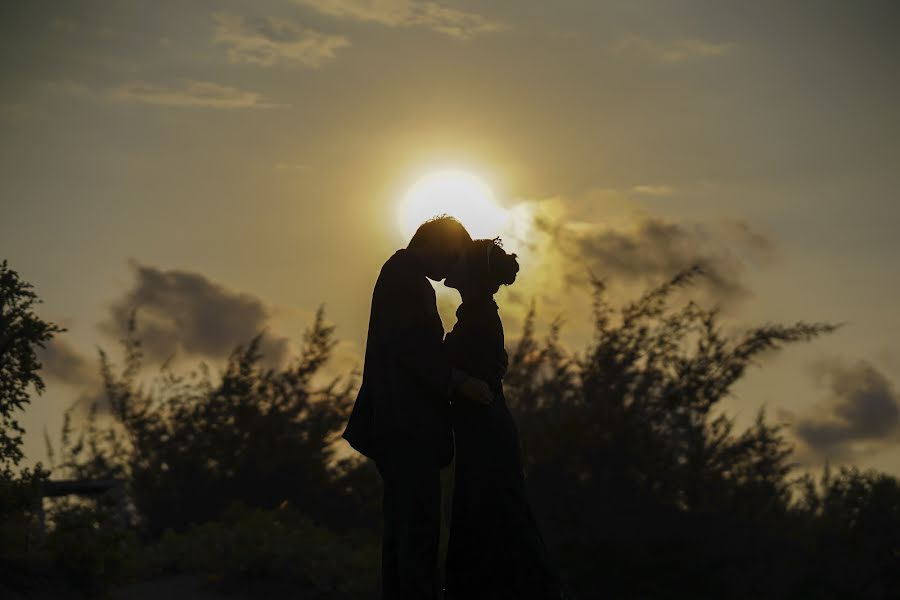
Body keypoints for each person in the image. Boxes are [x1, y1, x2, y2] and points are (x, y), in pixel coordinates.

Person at [342, 216, 494, 600]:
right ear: (438, 244)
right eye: (453, 254)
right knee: (418, 533)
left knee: (404, 531)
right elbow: (413, 348)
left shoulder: (403, 276)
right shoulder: (405, 280)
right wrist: (459, 380)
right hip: (408, 426)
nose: (451, 267)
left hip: (399, 425)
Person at [443, 238, 564, 600]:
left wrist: (452, 379)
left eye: (460, 259)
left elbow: (472, 372)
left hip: (485, 433)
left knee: (492, 517)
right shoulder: (478, 314)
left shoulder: (479, 319)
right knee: (493, 515)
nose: (452, 260)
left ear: (473, 275)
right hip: (484, 429)